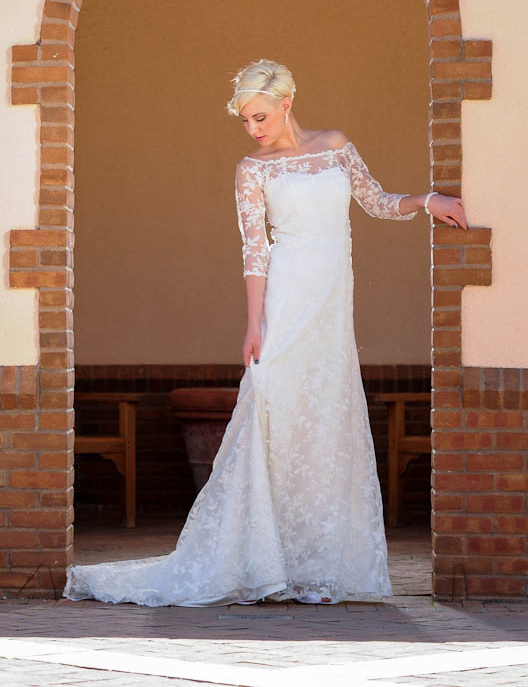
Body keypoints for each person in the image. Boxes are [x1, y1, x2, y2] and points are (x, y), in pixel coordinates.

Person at [63, 59, 467, 608]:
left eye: (260, 117)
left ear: (286, 104)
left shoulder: (335, 145)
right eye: (245, 121)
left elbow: (376, 202)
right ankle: (266, 561)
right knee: (274, 416)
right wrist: (254, 324)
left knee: (324, 424)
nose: (253, 129)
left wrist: (426, 201)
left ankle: (315, 568)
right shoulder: (252, 169)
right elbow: (255, 250)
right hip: (286, 302)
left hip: (331, 309)